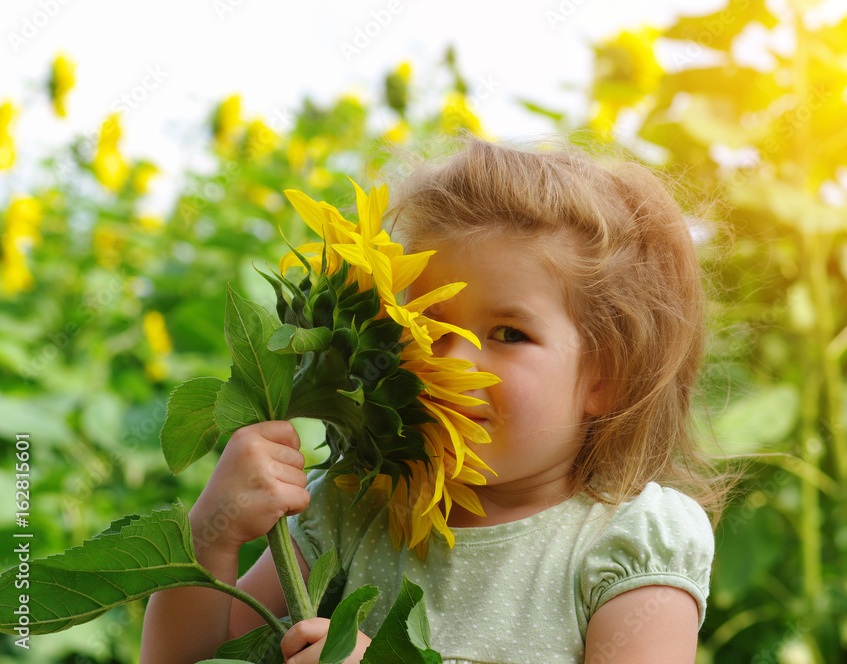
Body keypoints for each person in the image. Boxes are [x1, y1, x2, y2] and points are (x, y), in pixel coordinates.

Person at [140, 136, 731, 664]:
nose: (451, 361)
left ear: (608, 376)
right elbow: (193, 659)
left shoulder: (627, 540)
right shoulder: (350, 515)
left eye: (507, 334)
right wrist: (211, 536)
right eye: (424, 325)